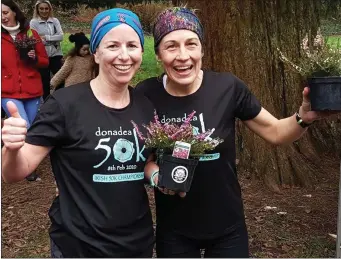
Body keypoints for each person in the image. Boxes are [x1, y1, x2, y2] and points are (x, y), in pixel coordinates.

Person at [135, 7, 339, 258]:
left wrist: (303, 118)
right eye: (171, 46)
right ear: (158, 54)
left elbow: (275, 132)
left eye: (191, 44)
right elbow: (143, 160)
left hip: (227, 229)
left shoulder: (227, 87)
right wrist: (156, 177)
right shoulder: (145, 94)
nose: (183, 56)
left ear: (202, 49)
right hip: (174, 230)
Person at [2, 8, 155, 257]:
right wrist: (11, 147)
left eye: (132, 45)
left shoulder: (145, 106)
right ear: (95, 52)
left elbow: (145, 164)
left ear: (141, 51)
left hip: (136, 243)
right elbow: (13, 173)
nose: (124, 55)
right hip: (79, 245)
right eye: (113, 45)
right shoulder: (64, 104)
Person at [1, 0, 49, 181]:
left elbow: (45, 61)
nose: (2, 17)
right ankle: (26, 169)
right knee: (24, 127)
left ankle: (16, 158)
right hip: (7, 92)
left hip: (32, 90)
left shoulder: (31, 34)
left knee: (33, 127)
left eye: (5, 12)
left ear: (14, 12)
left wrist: (34, 58)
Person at [30, 0, 64, 100]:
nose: (44, 11)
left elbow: (61, 36)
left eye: (46, 8)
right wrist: (53, 38)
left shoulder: (55, 21)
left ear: (49, 9)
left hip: (56, 54)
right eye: (41, 8)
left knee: (60, 79)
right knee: (45, 81)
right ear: (37, 10)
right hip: (42, 55)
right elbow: (34, 40)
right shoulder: (34, 22)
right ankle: (47, 102)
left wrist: (46, 38)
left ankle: (60, 99)